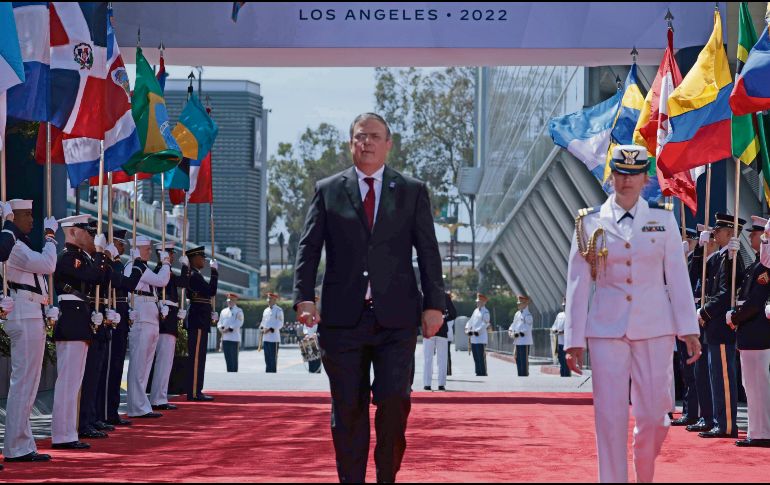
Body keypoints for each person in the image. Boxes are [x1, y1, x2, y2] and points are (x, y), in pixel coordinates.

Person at [293, 112, 445, 483]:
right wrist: (303, 297)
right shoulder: (329, 189)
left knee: (395, 401)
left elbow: (428, 250)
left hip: (396, 319)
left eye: (375, 136)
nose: (367, 143)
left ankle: (386, 474)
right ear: (351, 143)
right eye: (360, 137)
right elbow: (309, 246)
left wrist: (434, 304)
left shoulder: (411, 190)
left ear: (388, 144)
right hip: (343, 321)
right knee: (348, 410)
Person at [565, 145, 701, 483]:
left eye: (634, 174)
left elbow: (677, 277)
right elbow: (578, 285)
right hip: (606, 330)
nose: (626, 180)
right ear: (611, 177)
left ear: (645, 179)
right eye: (621, 174)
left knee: (656, 416)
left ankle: (644, 462)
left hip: (655, 327)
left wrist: (689, 328)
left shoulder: (663, 219)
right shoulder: (589, 222)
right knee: (608, 417)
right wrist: (573, 339)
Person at [3, 200, 58, 463]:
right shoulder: (14, 247)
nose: (32, 220)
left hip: (32, 312)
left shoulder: (21, 244)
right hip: (23, 314)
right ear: (13, 217)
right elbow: (47, 265)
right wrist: (51, 238)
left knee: (29, 383)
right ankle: (15, 447)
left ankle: (23, 444)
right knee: (23, 383)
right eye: (27, 215)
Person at [51, 215, 110, 450]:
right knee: (68, 382)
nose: (92, 236)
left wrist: (103, 256)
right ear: (74, 232)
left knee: (74, 382)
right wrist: (98, 254)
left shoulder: (81, 258)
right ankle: (62, 434)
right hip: (72, 319)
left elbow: (103, 279)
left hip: (80, 318)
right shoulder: (68, 258)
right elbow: (92, 276)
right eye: (88, 232)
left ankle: (69, 431)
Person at [697, 213, 745, 439]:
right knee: (715, 377)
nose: (715, 234)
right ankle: (719, 421)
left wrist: (705, 311)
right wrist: (700, 250)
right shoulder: (719, 258)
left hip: (721, 328)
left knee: (724, 377)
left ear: (730, 233)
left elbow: (727, 294)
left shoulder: (733, 258)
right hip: (713, 327)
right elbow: (701, 276)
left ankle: (726, 425)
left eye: (719, 231)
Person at [78, 223, 122, 440]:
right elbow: (94, 278)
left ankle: (92, 416)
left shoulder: (95, 260)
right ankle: (84, 419)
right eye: (91, 233)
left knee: (97, 372)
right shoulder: (75, 258)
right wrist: (102, 257)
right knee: (89, 374)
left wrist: (112, 262)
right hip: (88, 317)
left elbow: (113, 281)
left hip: (100, 315)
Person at [728, 216, 770, 447]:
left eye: (757, 235)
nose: (753, 238)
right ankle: (757, 431)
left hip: (758, 332)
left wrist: (735, 318)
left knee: (758, 386)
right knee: (750, 385)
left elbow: (755, 303)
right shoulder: (756, 265)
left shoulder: (766, 267)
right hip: (749, 332)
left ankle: (763, 432)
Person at [96, 230, 143, 427]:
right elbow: (129, 284)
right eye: (120, 243)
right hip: (113, 316)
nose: (123, 247)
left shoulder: (115, 264)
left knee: (116, 367)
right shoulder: (110, 264)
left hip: (121, 315)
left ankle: (111, 411)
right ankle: (105, 412)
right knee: (110, 369)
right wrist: (138, 264)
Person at [125, 236, 171, 419]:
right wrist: (166, 263)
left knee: (145, 365)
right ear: (137, 249)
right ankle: (136, 406)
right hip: (142, 317)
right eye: (147, 249)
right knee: (139, 364)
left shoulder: (142, 267)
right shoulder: (135, 266)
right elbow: (161, 281)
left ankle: (141, 404)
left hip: (150, 316)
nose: (150, 252)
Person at [151, 242, 190, 410]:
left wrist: (185, 267)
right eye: (169, 253)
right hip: (164, 320)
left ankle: (160, 396)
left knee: (166, 362)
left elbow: (183, 283)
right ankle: (157, 398)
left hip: (170, 318)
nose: (172, 256)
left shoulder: (168, 272)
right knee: (162, 361)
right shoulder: (160, 271)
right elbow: (158, 292)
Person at [185, 246, 218, 402]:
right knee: (197, 358)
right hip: (197, 320)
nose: (203, 260)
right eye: (201, 257)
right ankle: (194, 391)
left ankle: (197, 390)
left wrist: (210, 310)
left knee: (200, 357)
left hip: (201, 318)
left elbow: (206, 297)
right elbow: (211, 291)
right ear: (194, 259)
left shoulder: (196, 275)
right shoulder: (194, 275)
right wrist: (215, 272)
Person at [423, 291, 456, 391]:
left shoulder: (426, 295)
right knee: (442, 359)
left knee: (428, 359)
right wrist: (444, 319)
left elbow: (419, 312)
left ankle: (427, 384)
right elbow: (453, 313)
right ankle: (441, 384)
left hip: (429, 331)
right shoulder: (445, 296)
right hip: (441, 331)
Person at [218, 293, 244, 373]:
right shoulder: (223, 311)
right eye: (228, 300)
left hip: (234, 339)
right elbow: (219, 323)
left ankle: (234, 376)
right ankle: (229, 375)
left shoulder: (239, 311)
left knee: (234, 359)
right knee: (228, 358)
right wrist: (221, 328)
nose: (229, 302)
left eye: (231, 300)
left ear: (235, 301)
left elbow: (239, 322)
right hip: (225, 338)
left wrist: (229, 329)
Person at [465, 293, 490, 377]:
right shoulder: (475, 311)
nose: (477, 303)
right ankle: (478, 371)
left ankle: (483, 372)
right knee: (475, 355)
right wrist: (467, 328)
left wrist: (477, 331)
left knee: (481, 356)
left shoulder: (485, 312)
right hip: (473, 337)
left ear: (483, 302)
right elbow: (470, 321)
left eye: (479, 302)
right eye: (477, 302)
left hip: (481, 337)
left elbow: (485, 324)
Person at [508, 294, 533, 377]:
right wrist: (510, 330)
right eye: (518, 303)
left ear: (525, 304)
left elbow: (527, 328)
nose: (518, 305)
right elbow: (513, 324)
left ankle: (524, 374)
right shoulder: (517, 314)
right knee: (518, 358)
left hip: (524, 340)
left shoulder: (528, 315)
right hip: (517, 340)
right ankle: (520, 374)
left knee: (523, 359)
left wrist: (518, 333)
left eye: (520, 303)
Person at [260, 292, 283, 373]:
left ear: (274, 300)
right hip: (266, 338)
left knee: (273, 359)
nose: (268, 300)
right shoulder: (265, 310)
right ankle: (268, 375)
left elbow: (280, 323)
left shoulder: (278, 310)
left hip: (274, 339)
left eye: (270, 298)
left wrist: (269, 329)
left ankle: (273, 375)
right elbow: (263, 322)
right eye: (268, 298)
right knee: (267, 358)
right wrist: (262, 328)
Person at [550, 297, 570, 377]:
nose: (564, 307)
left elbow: (573, 328)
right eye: (563, 305)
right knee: (561, 360)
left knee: (567, 361)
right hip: (560, 342)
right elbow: (554, 326)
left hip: (568, 343)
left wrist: (563, 332)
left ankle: (567, 376)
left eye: (565, 305)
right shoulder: (559, 315)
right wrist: (555, 331)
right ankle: (562, 376)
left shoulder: (572, 315)